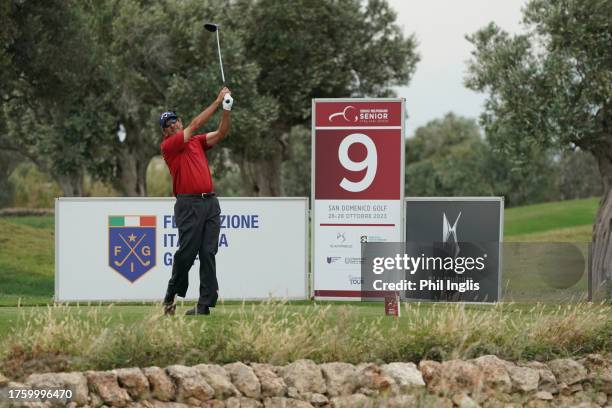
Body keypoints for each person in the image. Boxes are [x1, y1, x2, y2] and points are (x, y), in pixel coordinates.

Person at [160, 87, 233, 316]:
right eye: (167, 125)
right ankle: (171, 296)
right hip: (188, 204)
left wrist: (227, 109)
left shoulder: (197, 142)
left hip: (210, 203)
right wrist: (216, 100)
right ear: (165, 132)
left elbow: (221, 133)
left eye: (174, 121)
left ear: (179, 121)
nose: (173, 126)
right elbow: (195, 124)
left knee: (208, 252)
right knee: (187, 254)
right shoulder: (170, 146)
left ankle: (204, 305)